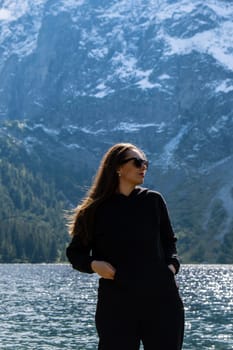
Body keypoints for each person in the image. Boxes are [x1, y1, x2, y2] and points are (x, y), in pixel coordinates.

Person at [66, 142, 184, 350]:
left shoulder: (153, 201)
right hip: (116, 304)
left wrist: (171, 267)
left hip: (162, 300)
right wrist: (94, 265)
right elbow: (75, 254)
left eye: (145, 163)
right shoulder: (94, 210)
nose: (143, 167)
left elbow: (169, 243)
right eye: (137, 162)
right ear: (118, 167)